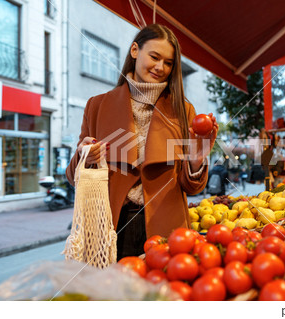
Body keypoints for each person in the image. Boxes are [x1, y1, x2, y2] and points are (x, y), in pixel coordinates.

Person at [66, 24, 218, 260]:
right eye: (155, 57)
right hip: (110, 227)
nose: (160, 68)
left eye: (168, 63)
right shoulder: (96, 106)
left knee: (162, 295)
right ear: (135, 50)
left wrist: (197, 160)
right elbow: (73, 178)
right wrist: (85, 156)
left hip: (166, 228)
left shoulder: (183, 111)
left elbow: (192, 187)